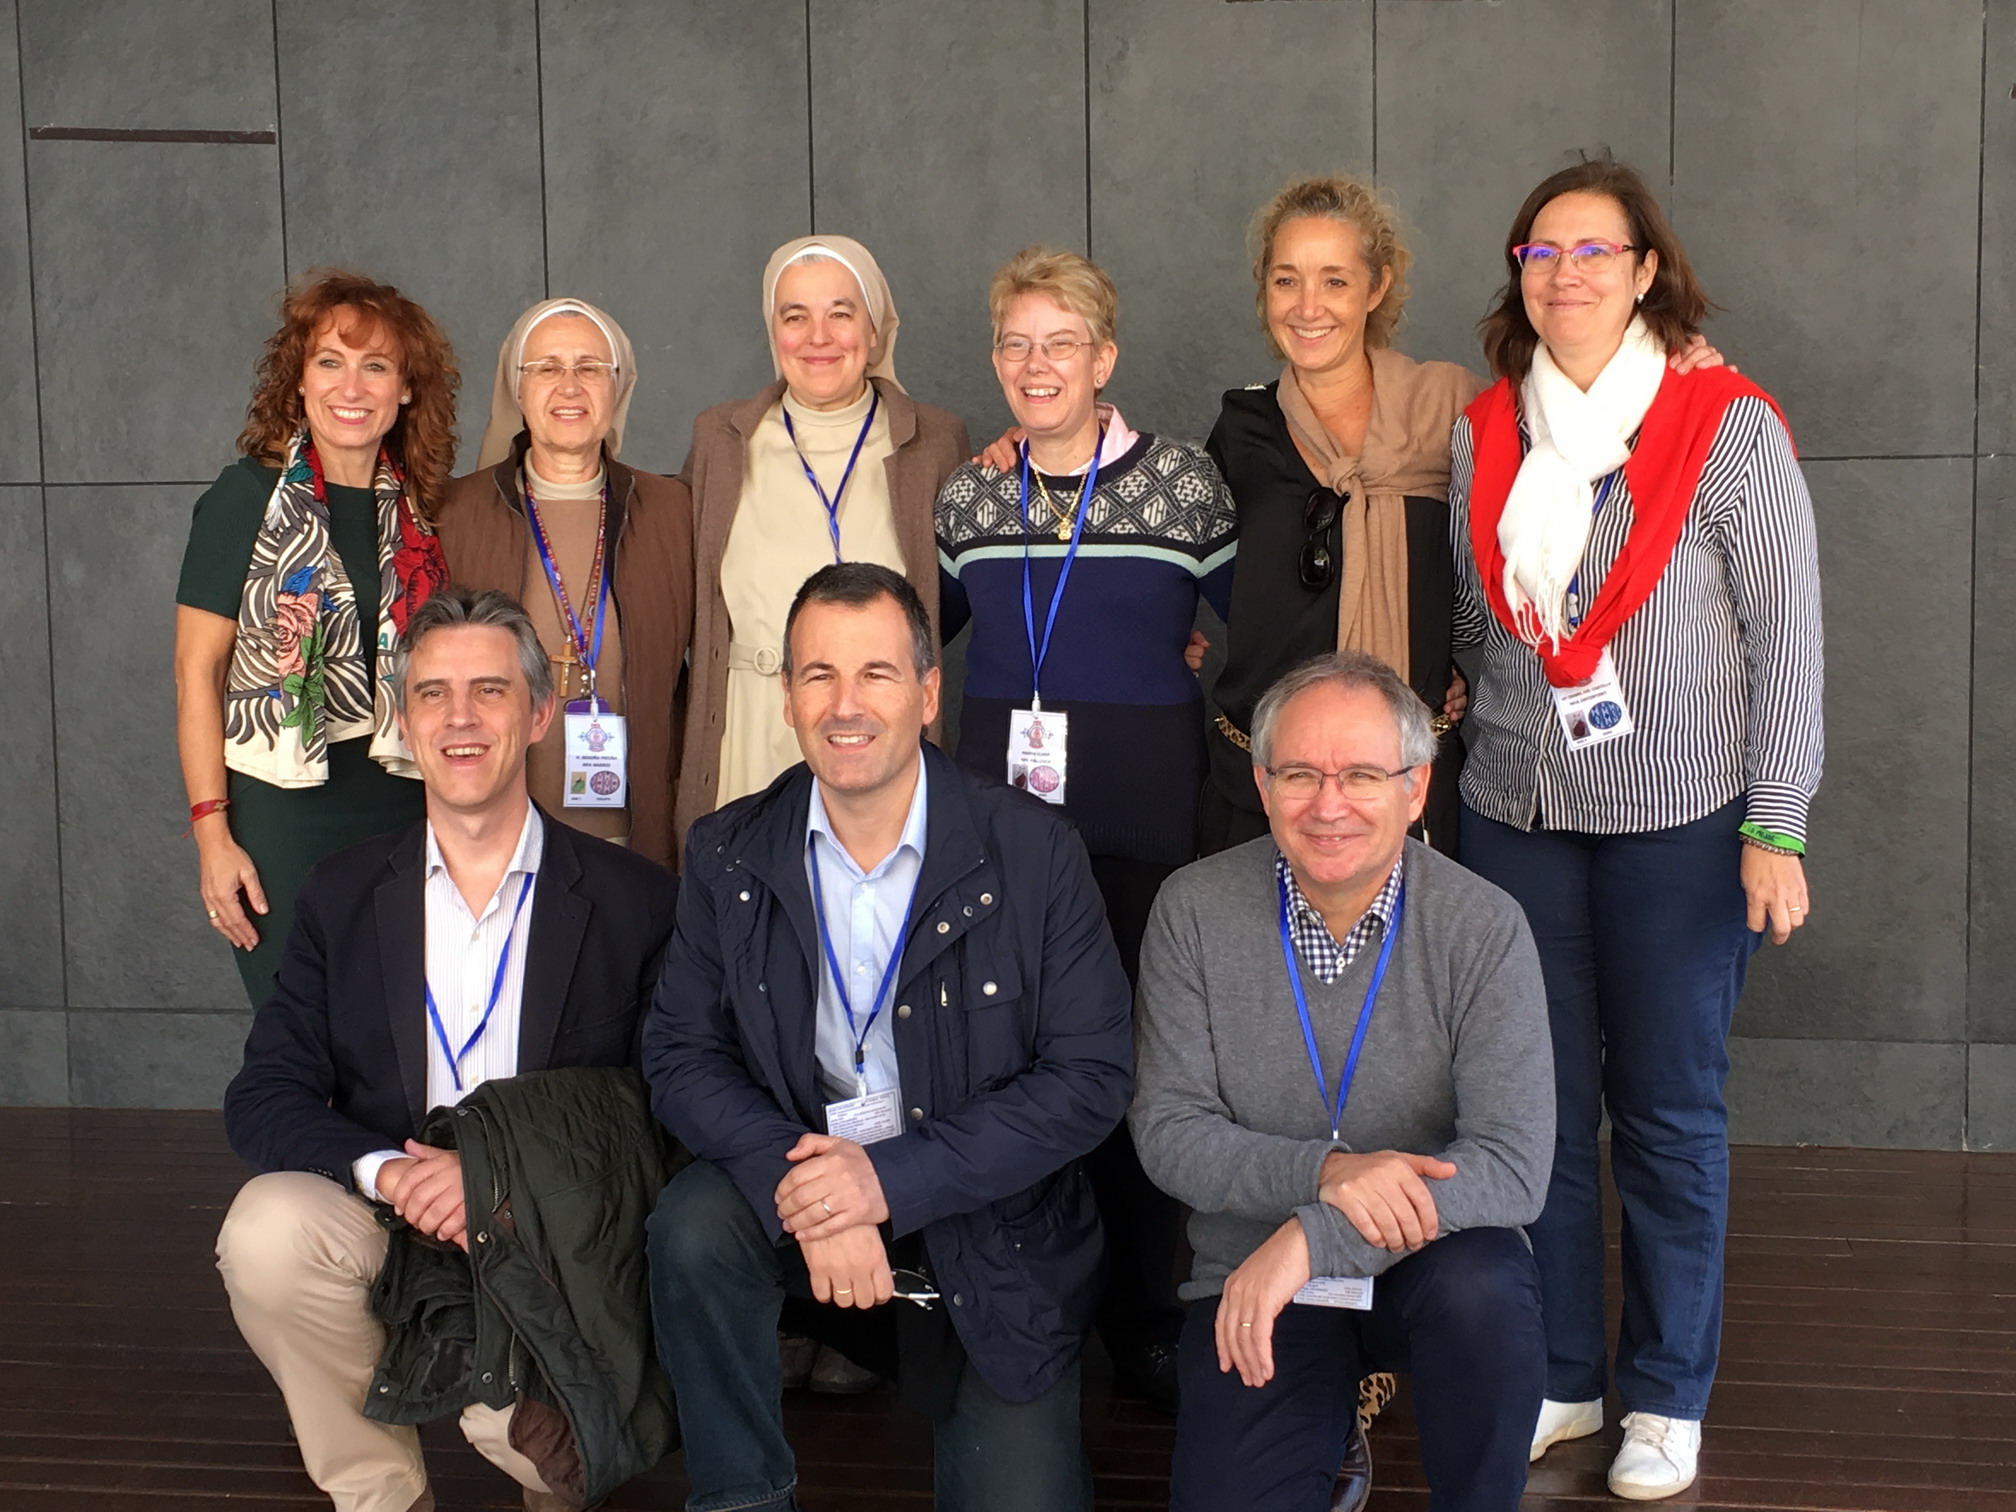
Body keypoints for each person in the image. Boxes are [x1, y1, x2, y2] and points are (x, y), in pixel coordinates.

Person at [1450, 156, 1823, 1500]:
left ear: (1647, 268)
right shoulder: (1486, 431)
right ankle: (1563, 1377)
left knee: (1666, 1113)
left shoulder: (1727, 424)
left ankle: (1667, 1395)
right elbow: (1475, 617)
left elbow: (1788, 642)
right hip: (1515, 814)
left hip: (1682, 822)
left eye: (1594, 250)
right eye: (1541, 252)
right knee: (1534, 1115)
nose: (1566, 275)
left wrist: (1777, 828)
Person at [643, 562, 1134, 1512]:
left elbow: (1090, 1077)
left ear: (928, 693)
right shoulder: (727, 850)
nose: (845, 705)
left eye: (876, 673)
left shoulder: (1034, 849)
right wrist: (816, 1191)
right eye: (818, 675)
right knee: (693, 1230)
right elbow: (679, 1055)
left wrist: (887, 1182)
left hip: (991, 1224)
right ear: (787, 698)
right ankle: (743, 1500)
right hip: (799, 1181)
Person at [215, 587, 680, 1512]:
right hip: (394, 1227)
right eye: (432, 693)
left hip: (551, 1245)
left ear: (539, 713)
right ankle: (380, 1493)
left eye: (489, 691)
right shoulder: (341, 894)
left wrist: (498, 1180)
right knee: (266, 1230)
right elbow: (264, 1094)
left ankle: (546, 1466)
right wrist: (391, 1174)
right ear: (404, 718)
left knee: (546, 1459)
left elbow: (660, 1116)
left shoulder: (636, 902)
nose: (459, 718)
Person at [1131, 652, 1555, 1512]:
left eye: (1362, 775)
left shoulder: (1483, 926)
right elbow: (1170, 1132)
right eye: (1300, 775)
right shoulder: (1192, 910)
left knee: (1486, 1292)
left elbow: (1514, 1167)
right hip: (1254, 1276)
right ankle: (1325, 1421)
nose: (1328, 806)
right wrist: (1327, 1174)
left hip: (1424, 1267)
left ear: (1416, 787)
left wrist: (1312, 1236)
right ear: (1262, 784)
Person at [1198, 175, 1728, 860]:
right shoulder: (1240, 426)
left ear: (1377, 287)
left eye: (1335, 281)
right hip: (1265, 777)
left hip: (1411, 773)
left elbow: (1573, 433)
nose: (1307, 306)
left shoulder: (1454, 410)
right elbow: (1207, 571)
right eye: (1285, 280)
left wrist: (1665, 370)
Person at [935, 245, 1235, 1410]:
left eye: (1061, 342)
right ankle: (1024, 1297)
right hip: (1001, 836)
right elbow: (917, 639)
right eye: (1017, 343)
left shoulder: (1186, 485)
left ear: (1104, 358)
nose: (1037, 363)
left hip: (1146, 829)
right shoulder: (970, 495)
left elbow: (1262, 630)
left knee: (1142, 1063)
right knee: (1013, 1061)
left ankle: (1149, 1314)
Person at [175, 271, 455, 1003]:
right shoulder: (245, 498)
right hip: (282, 814)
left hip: (405, 806)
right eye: (330, 361)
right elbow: (197, 673)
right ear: (298, 382)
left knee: (394, 1034)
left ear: (406, 389)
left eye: (376, 366)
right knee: (299, 1031)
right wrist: (211, 834)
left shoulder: (422, 514)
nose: (351, 387)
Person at [674, 235, 971, 851]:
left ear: (874, 328)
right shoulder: (719, 440)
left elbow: (966, 585)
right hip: (749, 727)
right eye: (795, 316)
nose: (818, 336)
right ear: (772, 330)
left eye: (840, 313)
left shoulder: (935, 441)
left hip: (876, 728)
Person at [434, 297, 694, 868]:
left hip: (642, 840)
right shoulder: (454, 513)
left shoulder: (675, 510)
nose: (569, 386)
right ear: (517, 388)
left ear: (618, 386)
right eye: (547, 368)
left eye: (590, 367)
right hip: (496, 846)